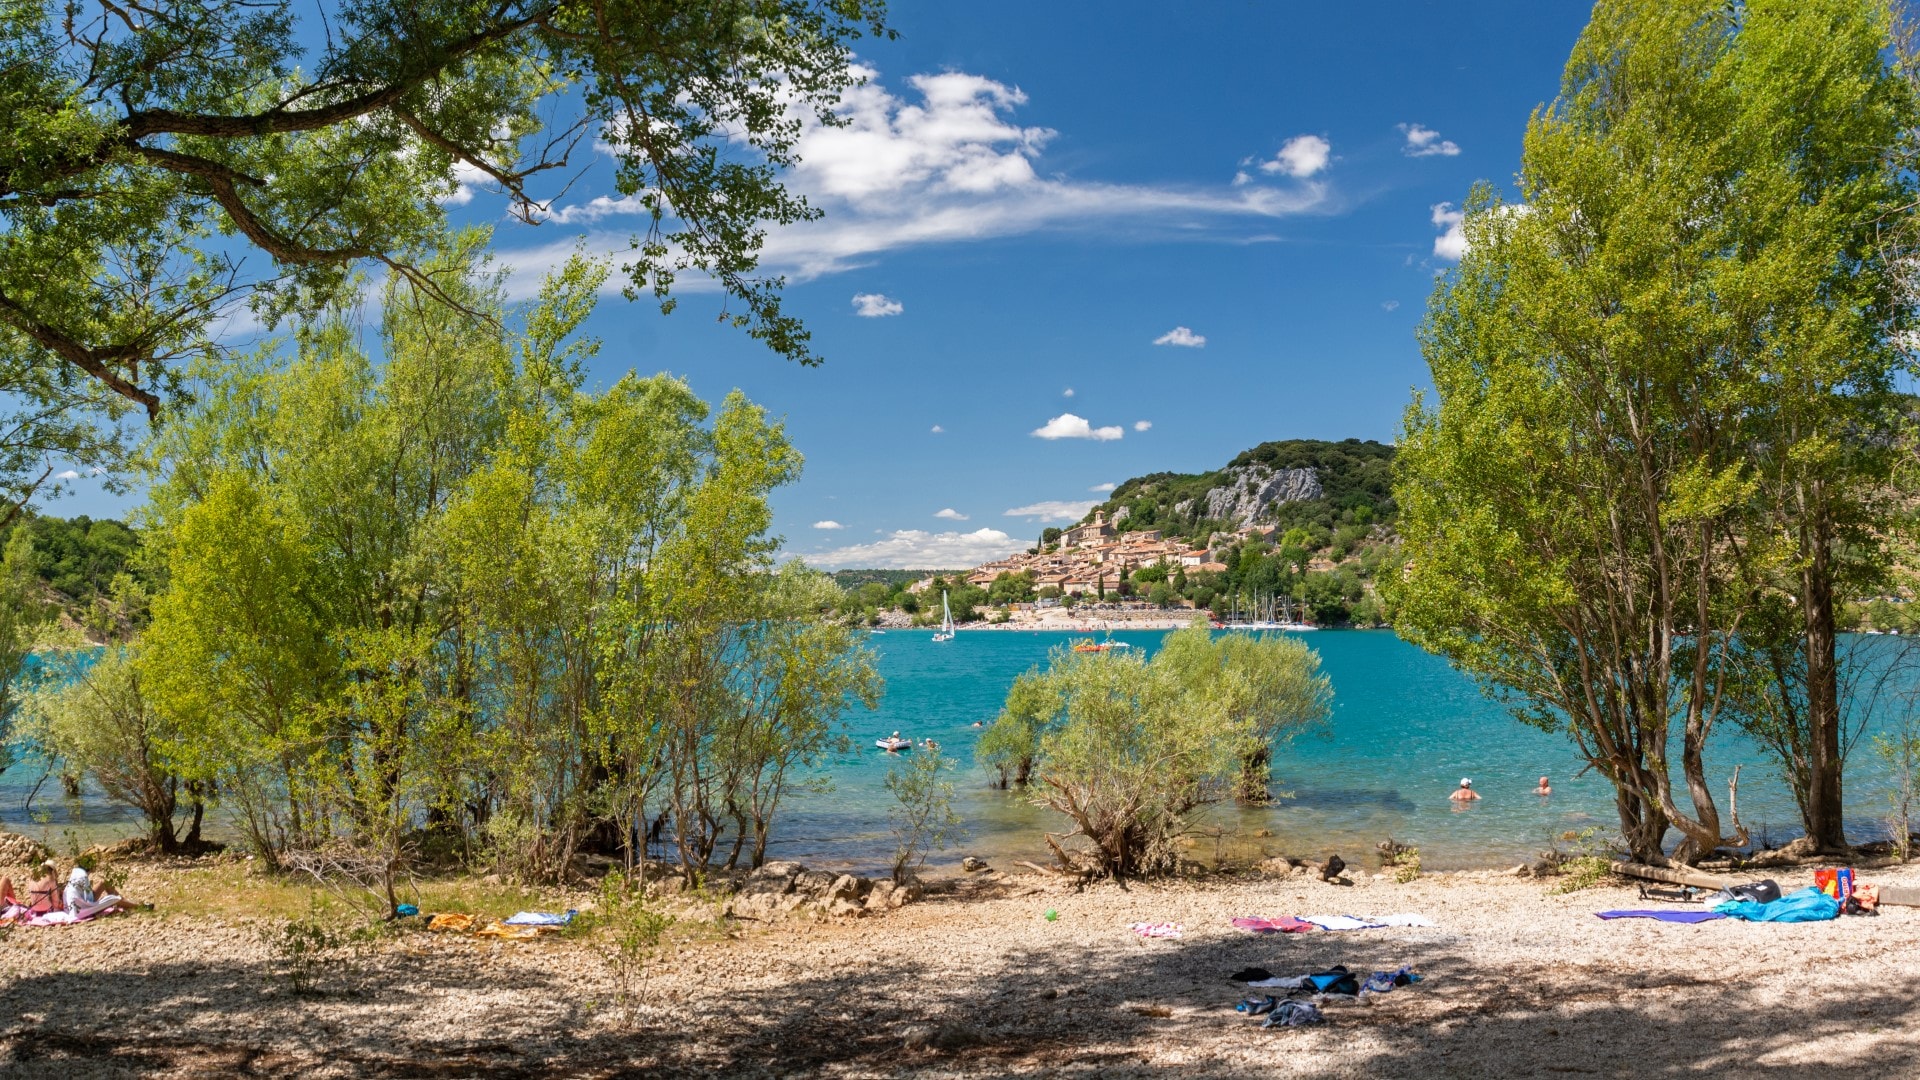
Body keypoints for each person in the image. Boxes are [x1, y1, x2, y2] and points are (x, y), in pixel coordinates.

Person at [63, 867, 134, 919]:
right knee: (113, 899)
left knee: (104, 883)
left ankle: (124, 901)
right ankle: (137, 906)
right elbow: (87, 899)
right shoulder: (82, 877)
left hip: (80, 903)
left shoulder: (74, 877)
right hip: (82, 909)